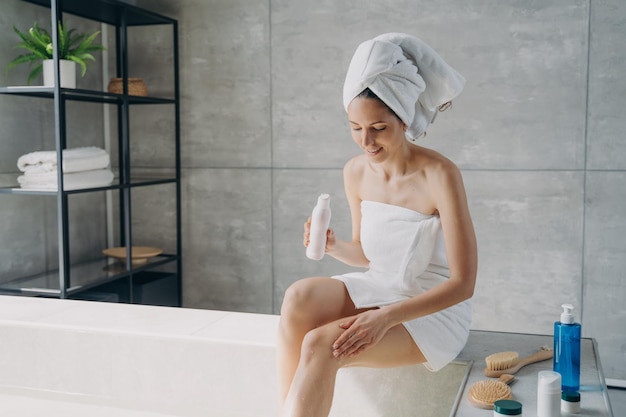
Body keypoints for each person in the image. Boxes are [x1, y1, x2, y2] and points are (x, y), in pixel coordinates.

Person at [277, 33, 477, 417]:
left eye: (378, 128)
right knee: (298, 297)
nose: (365, 141)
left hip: (429, 310)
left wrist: (385, 317)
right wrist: (335, 245)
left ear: (403, 119)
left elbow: (463, 284)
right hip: (379, 288)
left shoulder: (440, 175)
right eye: (355, 127)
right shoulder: (354, 172)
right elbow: (367, 255)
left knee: (321, 345)